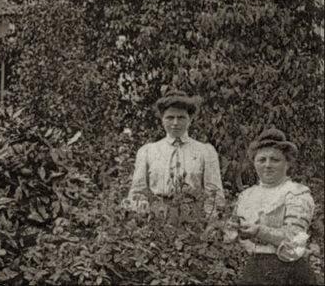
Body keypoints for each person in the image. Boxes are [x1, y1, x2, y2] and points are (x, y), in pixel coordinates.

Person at [227, 128, 318, 285]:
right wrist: (231, 231)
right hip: (252, 270)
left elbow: (295, 238)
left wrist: (259, 231)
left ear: (288, 163)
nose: (267, 165)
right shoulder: (246, 195)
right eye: (262, 160)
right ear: (254, 162)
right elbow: (232, 236)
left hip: (288, 271)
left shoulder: (296, 193)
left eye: (275, 160)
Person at [124, 89, 225, 213]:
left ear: (190, 119)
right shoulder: (148, 151)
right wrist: (142, 207)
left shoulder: (205, 152)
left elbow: (214, 196)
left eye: (181, 117)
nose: (175, 123)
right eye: (170, 118)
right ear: (162, 119)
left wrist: (208, 224)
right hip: (156, 219)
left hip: (194, 219)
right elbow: (137, 193)